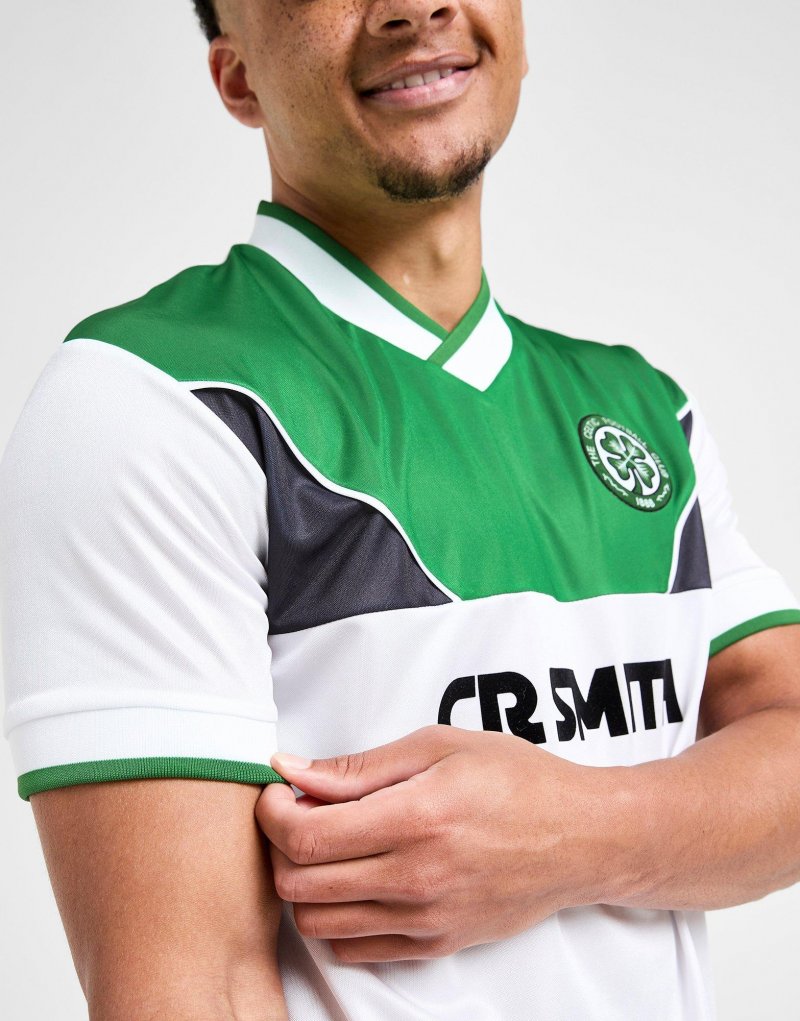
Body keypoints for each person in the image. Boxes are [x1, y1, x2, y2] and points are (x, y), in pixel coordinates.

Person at [2, 0, 799, 1018]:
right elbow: (196, 987)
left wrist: (573, 835)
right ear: (238, 78)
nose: (414, 6)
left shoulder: (645, 409)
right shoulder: (155, 396)